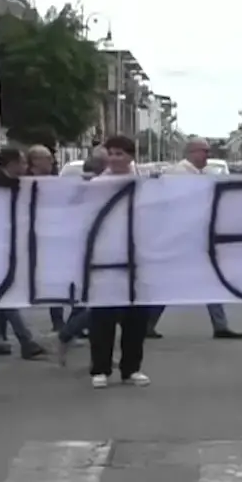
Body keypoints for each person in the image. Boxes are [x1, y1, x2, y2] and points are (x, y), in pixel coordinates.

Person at [145, 138, 242, 340]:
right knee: (169, 283)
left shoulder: (206, 175)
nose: (207, 155)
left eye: (208, 151)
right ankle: (147, 324)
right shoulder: (175, 175)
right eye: (204, 151)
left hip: (200, 237)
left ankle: (220, 325)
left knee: (211, 280)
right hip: (179, 238)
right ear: (191, 152)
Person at [85, 135, 151, 388]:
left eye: (119, 154)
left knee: (136, 317)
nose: (114, 158)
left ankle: (131, 368)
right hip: (105, 257)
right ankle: (100, 368)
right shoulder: (97, 185)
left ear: (131, 156)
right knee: (103, 315)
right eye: (111, 153)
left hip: (137, 257)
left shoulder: (144, 184)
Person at [0, 147, 46, 358]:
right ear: (12, 164)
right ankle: (26, 340)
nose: (26, 167)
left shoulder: (18, 183)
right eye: (23, 162)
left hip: (8, 244)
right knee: (5, 293)